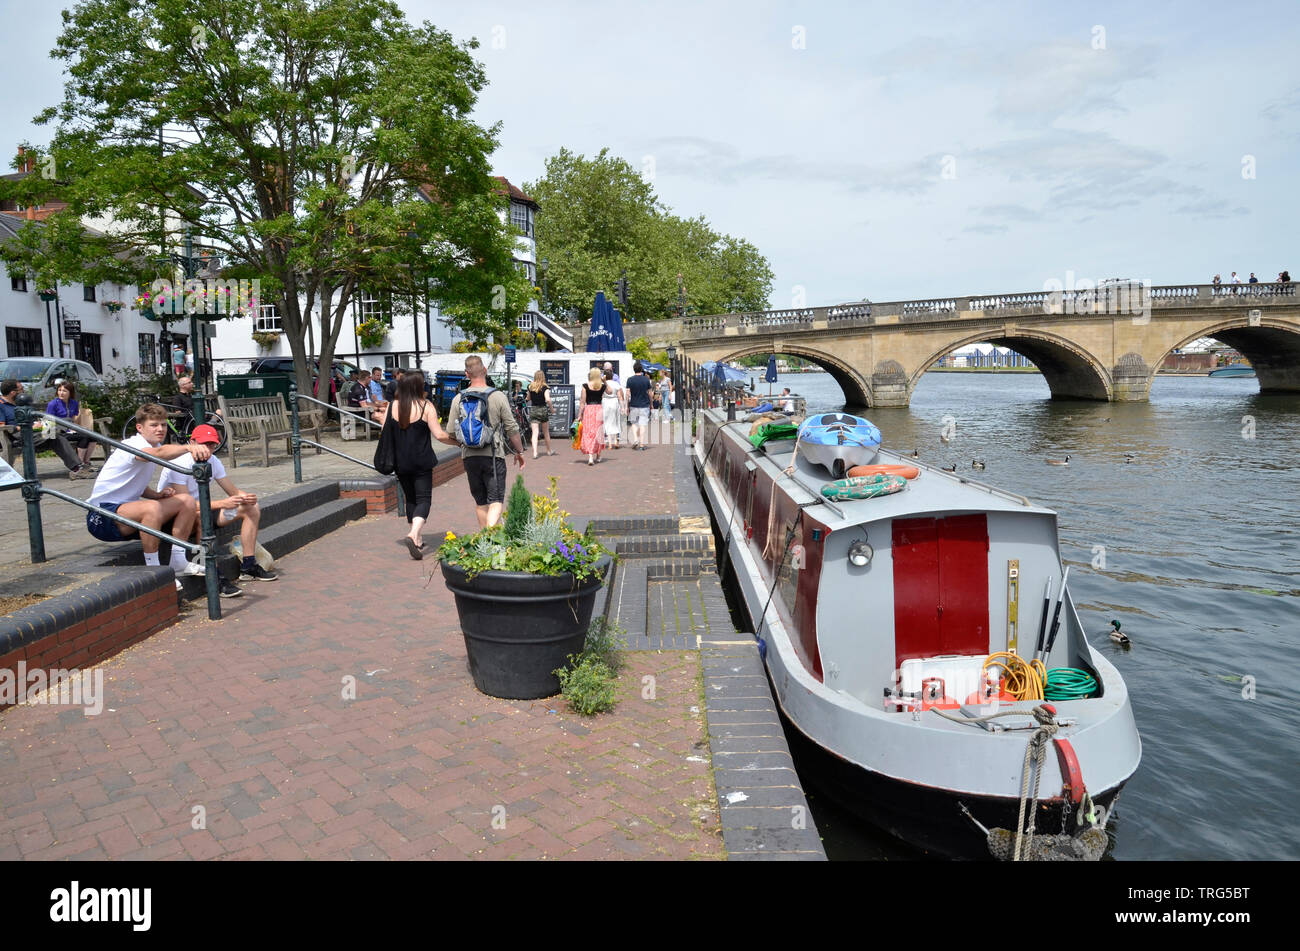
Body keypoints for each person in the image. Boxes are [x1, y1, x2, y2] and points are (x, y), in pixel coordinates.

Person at [85, 403, 211, 588]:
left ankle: (178, 560)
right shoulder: (134, 445)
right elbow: (157, 454)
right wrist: (188, 447)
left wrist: (156, 494)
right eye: (154, 425)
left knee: (187, 501)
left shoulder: (154, 446)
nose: (160, 429)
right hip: (101, 515)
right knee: (151, 509)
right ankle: (154, 570)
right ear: (140, 427)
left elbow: (133, 482)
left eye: (163, 424)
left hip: (125, 511)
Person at [155, 424, 275, 597]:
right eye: (204, 444)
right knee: (200, 517)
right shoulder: (179, 463)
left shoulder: (213, 460)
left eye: (212, 444)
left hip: (203, 507)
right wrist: (222, 504)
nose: (209, 448)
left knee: (252, 508)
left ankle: (248, 566)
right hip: (177, 516)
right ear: (192, 442)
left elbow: (232, 491)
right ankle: (215, 577)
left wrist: (246, 497)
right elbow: (185, 504)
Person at [440, 355, 524, 528]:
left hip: (469, 457)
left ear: (466, 374)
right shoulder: (497, 396)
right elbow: (512, 427)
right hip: (493, 455)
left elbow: (450, 432)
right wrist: (519, 451)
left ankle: (484, 542)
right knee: (496, 500)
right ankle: (490, 538)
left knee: (480, 501)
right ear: (485, 370)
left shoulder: (458, 399)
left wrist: (461, 443)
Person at [376, 372, 450, 559]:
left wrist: (380, 419)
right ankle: (413, 533)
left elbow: (385, 431)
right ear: (418, 386)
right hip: (422, 461)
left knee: (411, 499)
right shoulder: (426, 406)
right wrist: (458, 442)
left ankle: (417, 539)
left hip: (401, 462)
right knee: (424, 499)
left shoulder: (392, 406)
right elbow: (439, 435)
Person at [45, 381, 97, 477]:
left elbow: (73, 419)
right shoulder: (53, 404)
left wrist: (73, 428)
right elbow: (48, 424)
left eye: (64, 391)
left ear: (70, 392)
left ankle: (86, 462)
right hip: (57, 432)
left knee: (93, 436)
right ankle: (79, 466)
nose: (61, 393)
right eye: (59, 390)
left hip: (70, 430)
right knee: (84, 436)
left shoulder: (74, 403)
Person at [578, 366, 607, 466]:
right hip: (599, 409)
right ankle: (598, 455)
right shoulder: (602, 386)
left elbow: (582, 402)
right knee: (598, 432)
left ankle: (591, 456)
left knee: (589, 432)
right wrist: (605, 381)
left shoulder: (585, 386)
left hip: (589, 409)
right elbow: (610, 392)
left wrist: (579, 415)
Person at [526, 370, 556, 458]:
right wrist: (552, 409)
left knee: (535, 432)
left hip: (534, 409)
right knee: (546, 432)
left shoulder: (530, 387)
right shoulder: (545, 387)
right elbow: (548, 399)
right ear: (543, 377)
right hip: (543, 409)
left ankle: (535, 452)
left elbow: (528, 398)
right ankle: (549, 451)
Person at [624, 361, 653, 450]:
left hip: (633, 404)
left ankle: (636, 439)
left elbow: (627, 394)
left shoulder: (630, 380)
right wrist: (651, 404)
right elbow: (650, 394)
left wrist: (626, 406)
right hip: (644, 405)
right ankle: (641, 444)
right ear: (641, 370)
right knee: (642, 424)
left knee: (634, 423)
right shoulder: (646, 380)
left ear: (634, 370)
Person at [601, 368, 624, 449]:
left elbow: (600, 396)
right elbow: (620, 396)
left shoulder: (602, 384)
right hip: (614, 402)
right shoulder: (616, 384)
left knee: (607, 422)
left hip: (605, 402)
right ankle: (616, 441)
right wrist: (622, 407)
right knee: (615, 422)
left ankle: (610, 443)